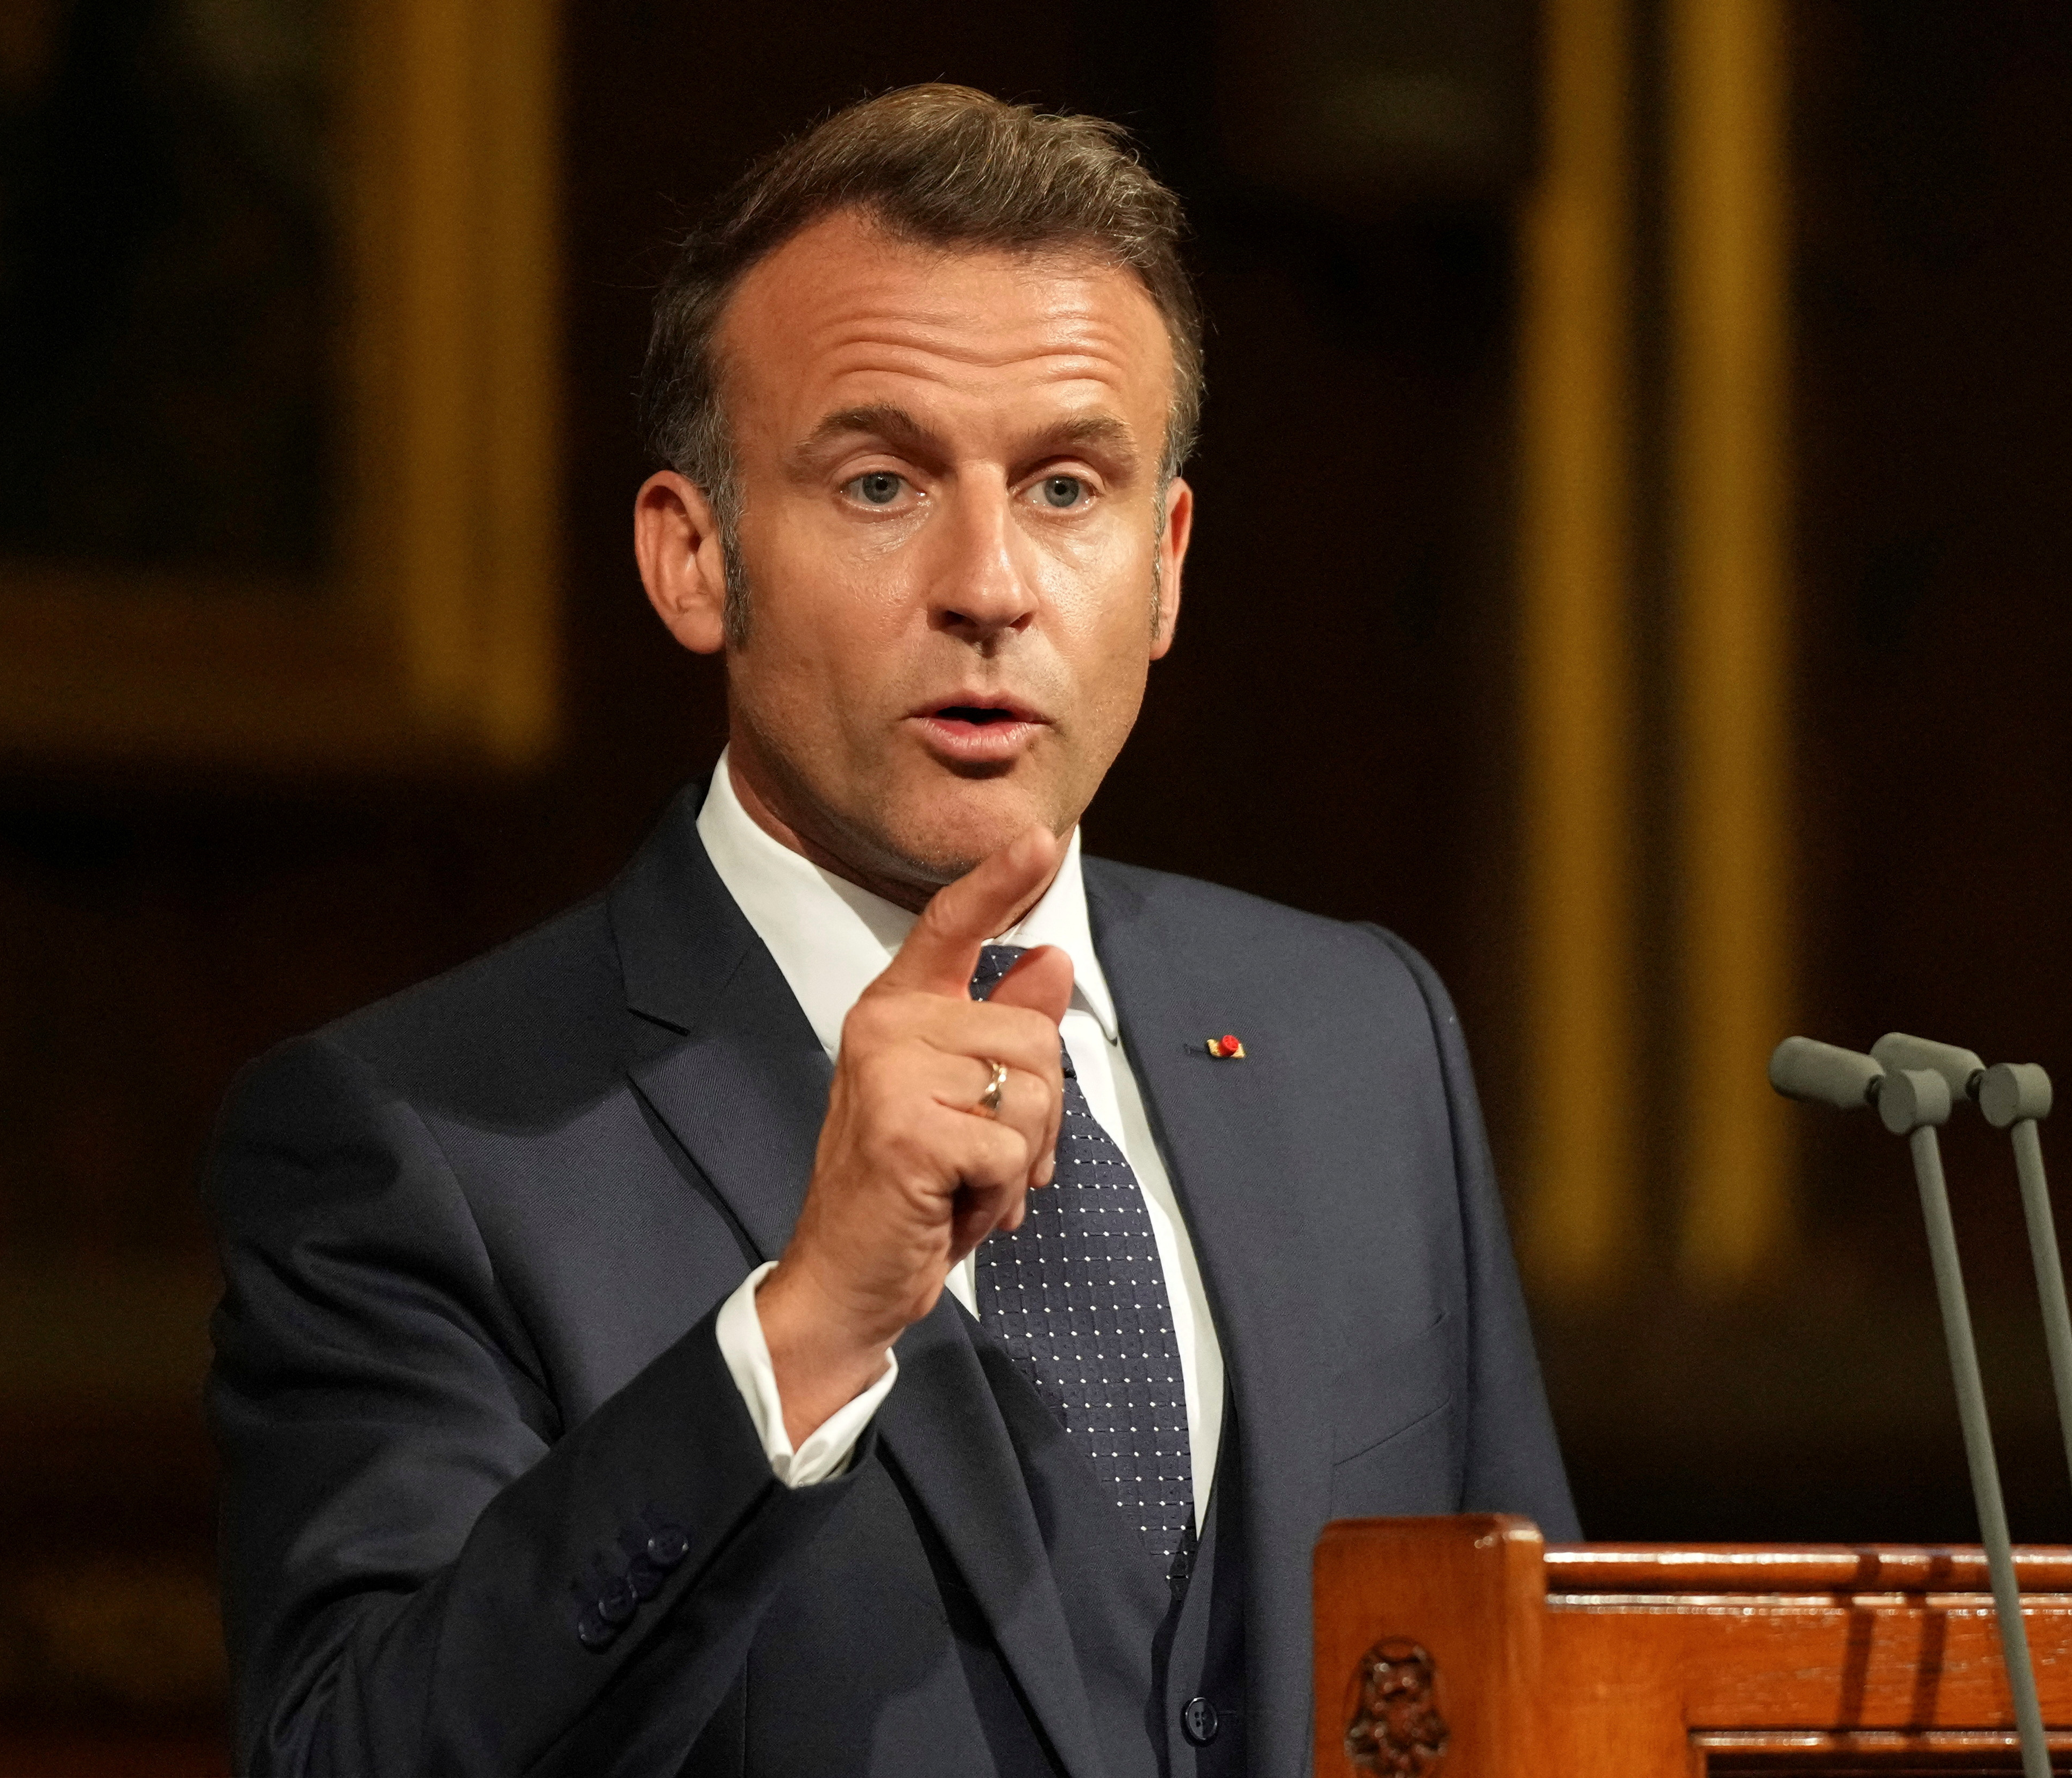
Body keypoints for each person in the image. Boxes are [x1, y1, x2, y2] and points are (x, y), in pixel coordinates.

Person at [203, 83, 1577, 1778]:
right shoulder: (420, 1143)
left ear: (1165, 565)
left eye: (1067, 487)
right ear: (693, 559)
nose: (990, 581)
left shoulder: (1360, 1034)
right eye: (878, 483)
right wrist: (806, 1331)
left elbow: (1539, 1705)